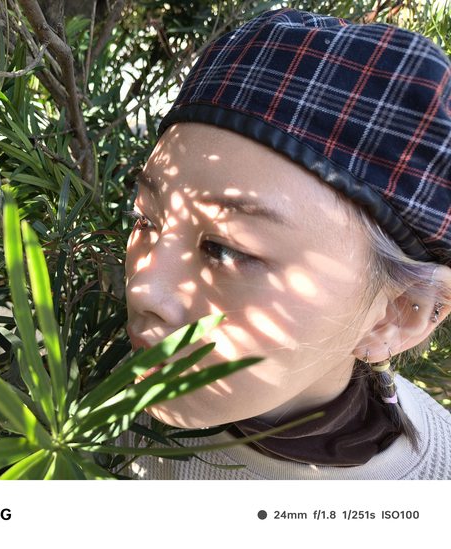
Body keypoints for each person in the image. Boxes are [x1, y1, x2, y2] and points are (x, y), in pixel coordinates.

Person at [120, 8, 451, 479]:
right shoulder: (86, 419)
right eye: (145, 218)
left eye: (226, 249)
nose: (142, 288)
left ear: (396, 314)